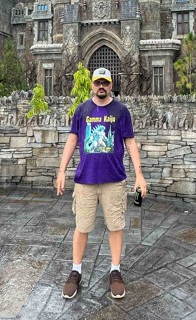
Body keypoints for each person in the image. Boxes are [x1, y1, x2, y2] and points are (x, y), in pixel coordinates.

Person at [56, 67, 147, 299]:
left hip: (113, 181)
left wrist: (139, 175)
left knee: (115, 226)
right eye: (97, 82)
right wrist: (61, 171)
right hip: (85, 180)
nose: (101, 86)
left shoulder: (121, 111)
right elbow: (72, 140)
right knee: (82, 226)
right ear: (92, 85)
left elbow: (130, 142)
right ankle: (76, 271)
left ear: (111, 85)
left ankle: (115, 270)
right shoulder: (82, 110)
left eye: (105, 82)